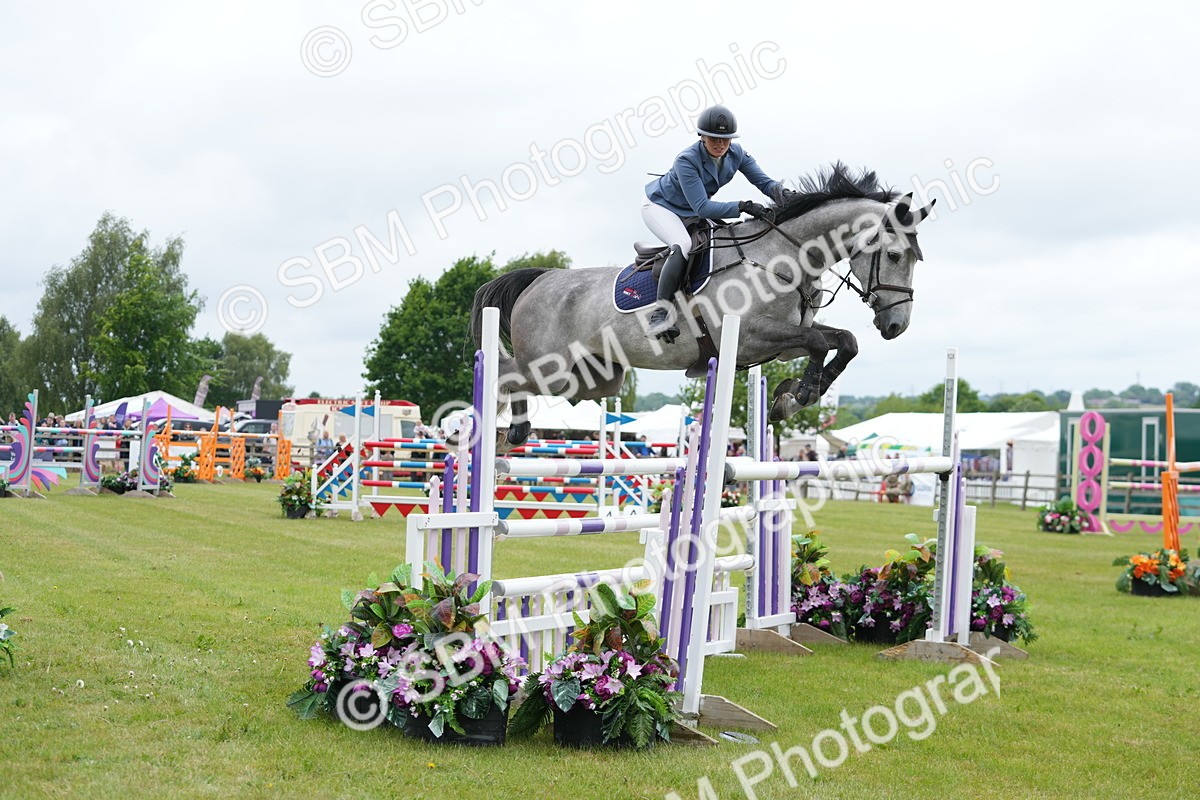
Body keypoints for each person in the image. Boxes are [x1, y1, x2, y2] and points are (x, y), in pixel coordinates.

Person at [642, 103, 793, 341]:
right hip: (662, 209)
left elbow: (765, 183)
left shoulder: (737, 153)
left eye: (726, 139)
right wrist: (743, 206)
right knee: (683, 244)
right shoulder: (687, 160)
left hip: (692, 211)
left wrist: (789, 197)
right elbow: (702, 208)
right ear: (702, 136)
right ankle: (660, 314)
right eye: (714, 138)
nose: (720, 144)